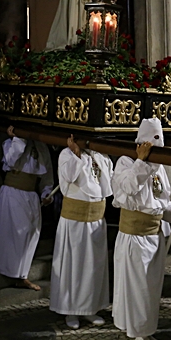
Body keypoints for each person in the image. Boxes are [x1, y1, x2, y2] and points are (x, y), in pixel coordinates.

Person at [111, 118, 171, 340]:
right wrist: (141, 161)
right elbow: (130, 188)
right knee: (138, 289)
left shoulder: (158, 166)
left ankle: (147, 329)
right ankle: (138, 334)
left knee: (152, 289)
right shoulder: (126, 162)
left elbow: (159, 199)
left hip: (154, 235)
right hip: (134, 236)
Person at [49, 135, 112, 329]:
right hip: (75, 221)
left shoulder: (99, 155)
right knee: (73, 266)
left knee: (93, 266)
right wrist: (76, 153)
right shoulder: (66, 155)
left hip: (96, 220)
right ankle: (70, 309)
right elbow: (68, 176)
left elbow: (108, 180)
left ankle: (90, 307)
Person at [0, 126, 54, 290]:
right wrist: (19, 138)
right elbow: (12, 160)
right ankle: (9, 271)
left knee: (31, 234)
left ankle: (22, 274)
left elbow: (47, 176)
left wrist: (46, 193)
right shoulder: (10, 143)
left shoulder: (41, 147)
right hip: (13, 193)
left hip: (31, 196)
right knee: (15, 233)